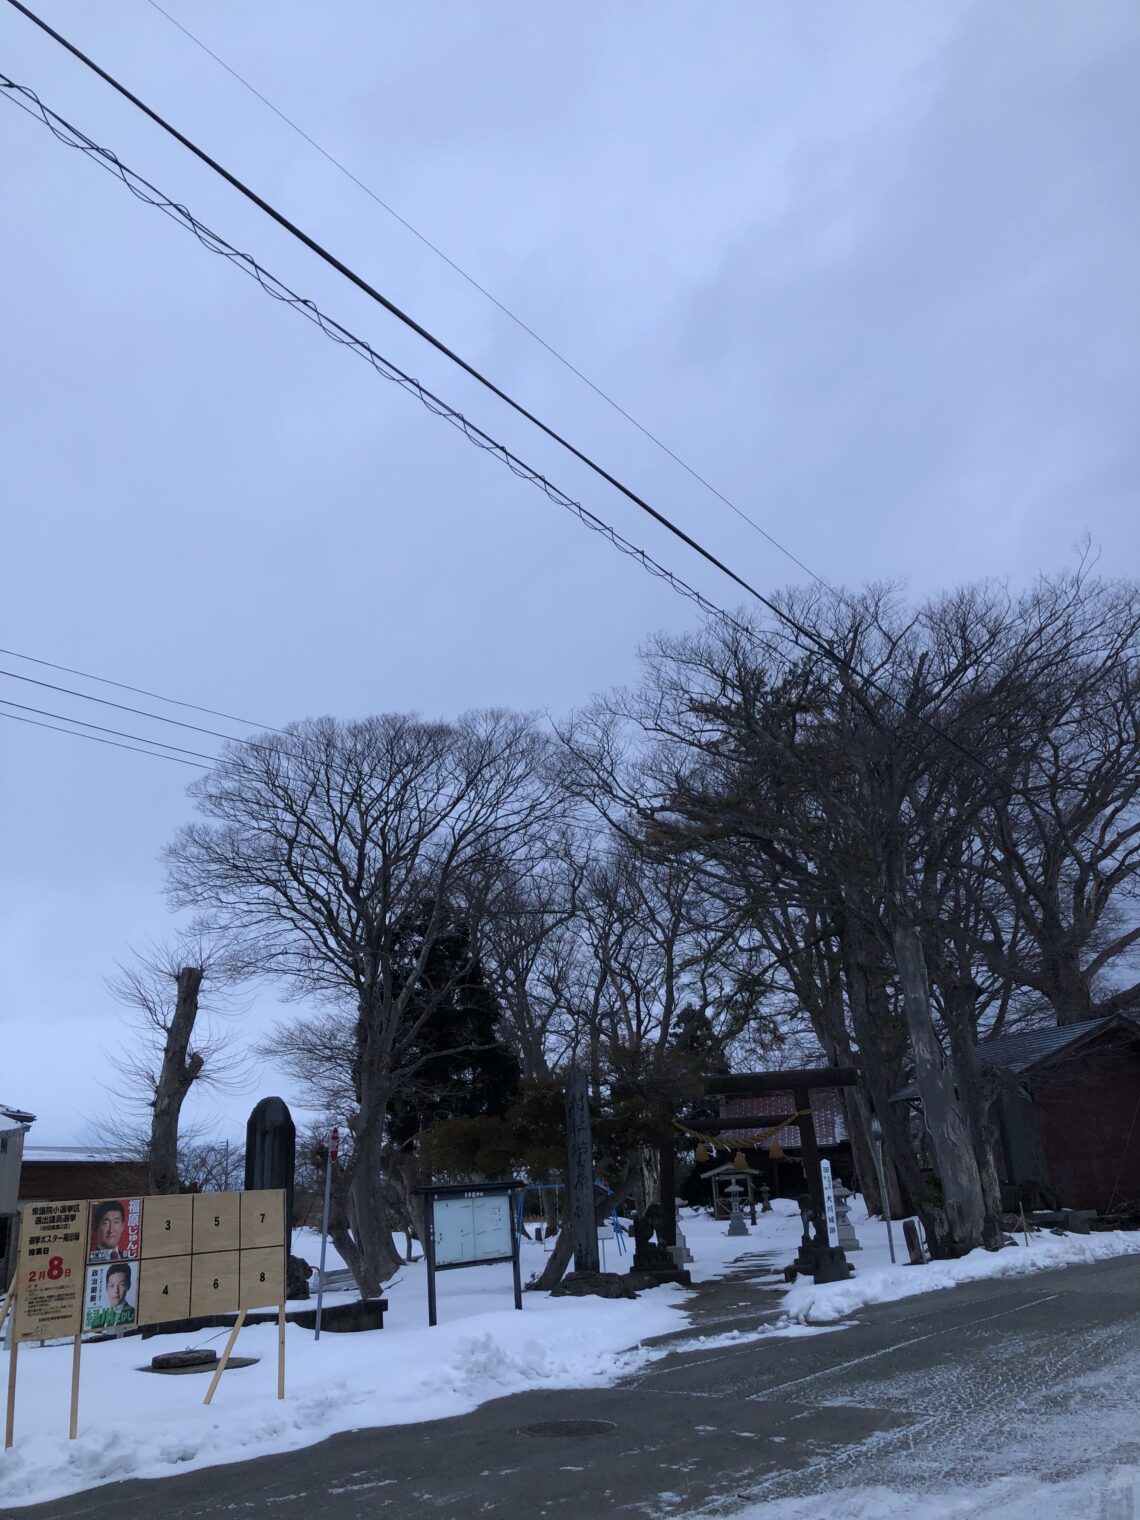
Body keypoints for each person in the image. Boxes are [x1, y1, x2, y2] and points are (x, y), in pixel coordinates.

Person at [85, 1262, 136, 1331]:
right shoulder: (98, 1320)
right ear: (106, 1287)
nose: (116, 1290)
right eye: (112, 1285)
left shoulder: (135, 1314)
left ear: (128, 1285)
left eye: (121, 1284)